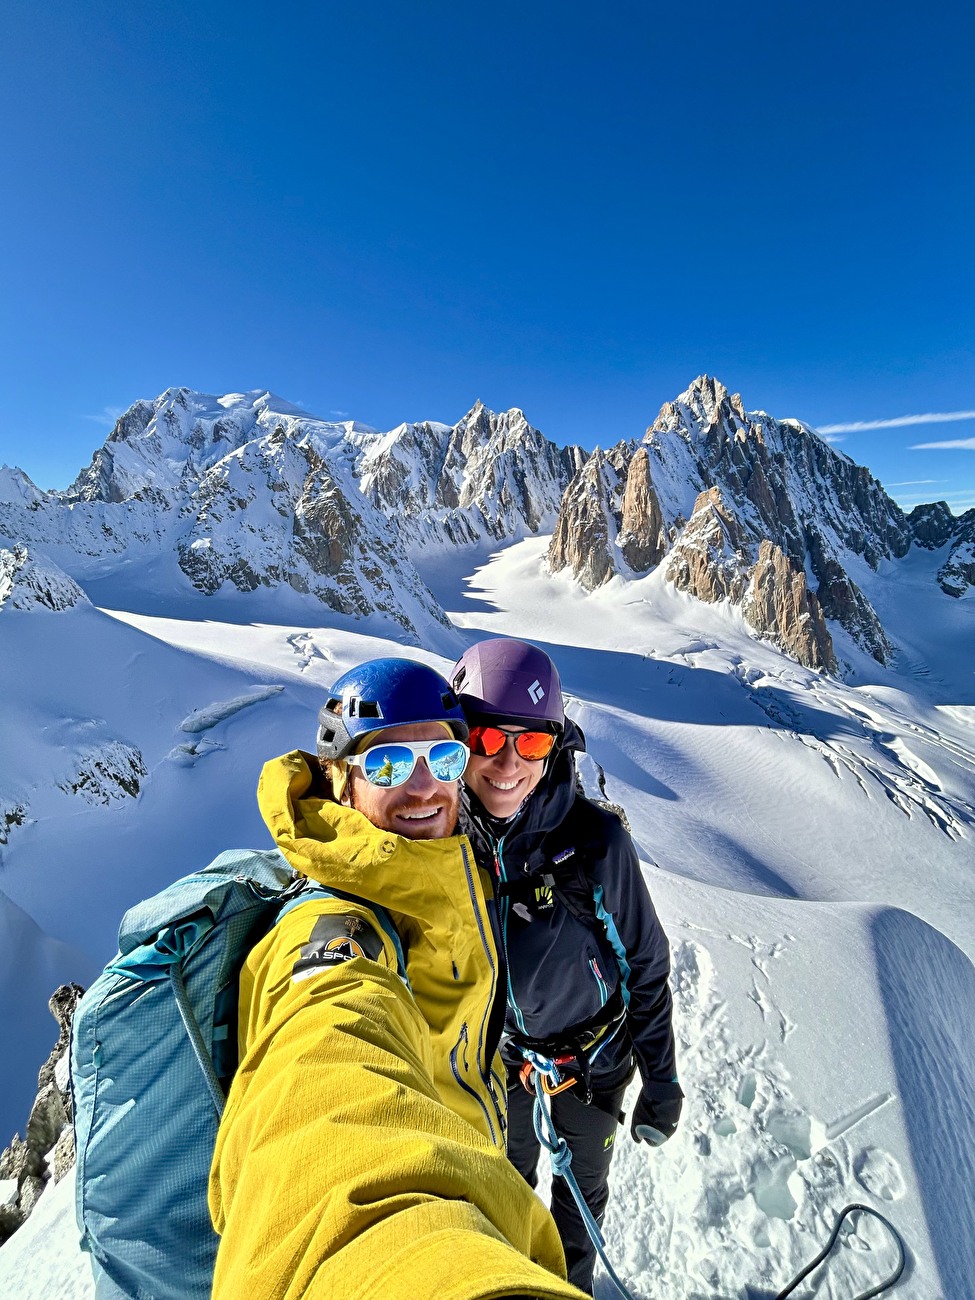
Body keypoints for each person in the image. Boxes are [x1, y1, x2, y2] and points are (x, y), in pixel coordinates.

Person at [207, 656, 587, 1300]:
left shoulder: (428, 888)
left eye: (441, 761)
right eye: (385, 765)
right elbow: (328, 1092)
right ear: (339, 782)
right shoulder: (333, 929)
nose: (422, 788)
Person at [451, 638, 682, 1295]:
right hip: (504, 1066)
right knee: (506, 1189)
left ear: (555, 745)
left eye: (529, 744)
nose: (506, 764)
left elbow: (645, 961)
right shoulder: (442, 844)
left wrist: (661, 1082)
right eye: (488, 738)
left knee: (579, 1203)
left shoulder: (592, 844)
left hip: (595, 1067)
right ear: (458, 739)